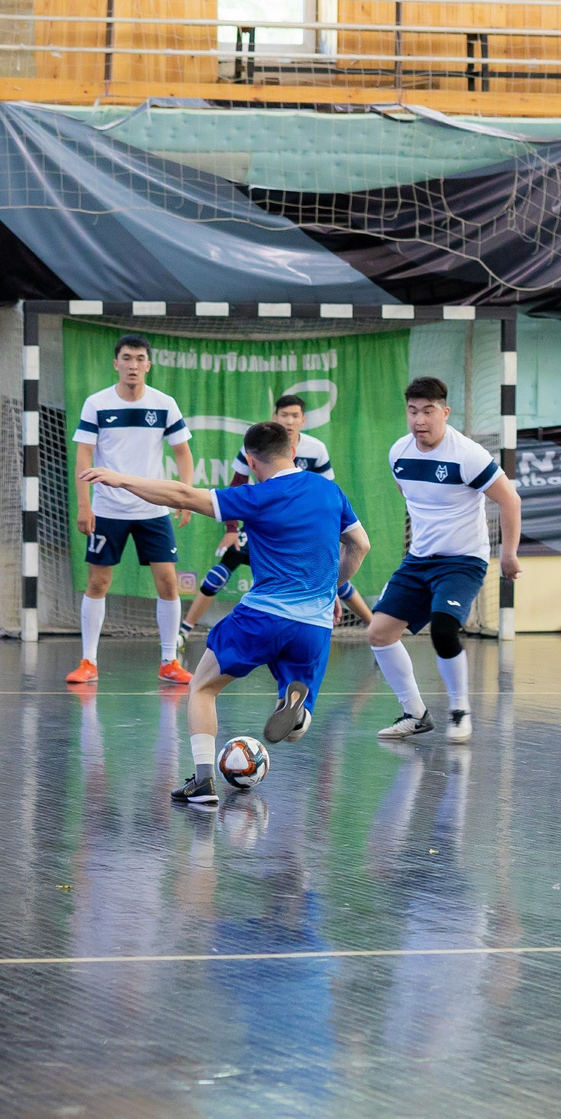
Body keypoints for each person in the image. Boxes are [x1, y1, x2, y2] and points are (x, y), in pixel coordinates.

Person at [78, 417, 370, 806]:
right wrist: (330, 587)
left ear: (251, 461)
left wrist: (121, 479)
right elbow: (360, 545)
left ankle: (202, 783)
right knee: (294, 730)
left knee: (202, 688)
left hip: (263, 616)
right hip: (314, 626)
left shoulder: (256, 496)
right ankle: (297, 712)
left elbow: (181, 494)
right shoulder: (330, 491)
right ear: (293, 451)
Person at [366, 376, 521, 746]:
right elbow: (413, 496)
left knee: (443, 629)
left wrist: (509, 554)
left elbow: (510, 500)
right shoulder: (399, 453)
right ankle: (415, 714)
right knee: (379, 632)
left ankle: (459, 711)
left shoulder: (467, 455)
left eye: (428, 411)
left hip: (463, 561)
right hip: (419, 559)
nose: (420, 420)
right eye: (413, 411)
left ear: (445, 412)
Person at [182, 392, 372, 634]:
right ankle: (184, 630)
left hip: (302, 530)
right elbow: (237, 483)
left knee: (331, 573)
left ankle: (374, 627)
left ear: (303, 420)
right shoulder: (257, 446)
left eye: (295, 416)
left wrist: (324, 536)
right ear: (275, 417)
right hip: (264, 525)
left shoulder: (316, 449)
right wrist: (231, 529)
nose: (289, 421)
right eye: (284, 415)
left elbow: (327, 496)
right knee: (224, 565)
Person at [70, 332, 198, 688]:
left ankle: (169, 661)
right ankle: (88, 661)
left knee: (168, 582)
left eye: (140, 358)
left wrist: (184, 496)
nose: (133, 365)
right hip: (107, 509)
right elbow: (84, 455)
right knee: (98, 582)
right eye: (127, 358)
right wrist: (85, 505)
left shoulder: (164, 404)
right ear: (116, 363)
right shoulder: (96, 403)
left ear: (148, 365)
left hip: (153, 509)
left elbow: (183, 453)